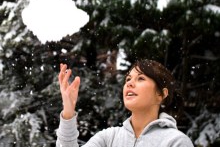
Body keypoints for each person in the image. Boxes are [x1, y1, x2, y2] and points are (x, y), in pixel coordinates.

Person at [56, 59, 194, 147]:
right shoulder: (109, 138)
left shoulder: (176, 142)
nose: (130, 84)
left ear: (161, 94)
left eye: (141, 79)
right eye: (128, 79)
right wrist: (68, 112)